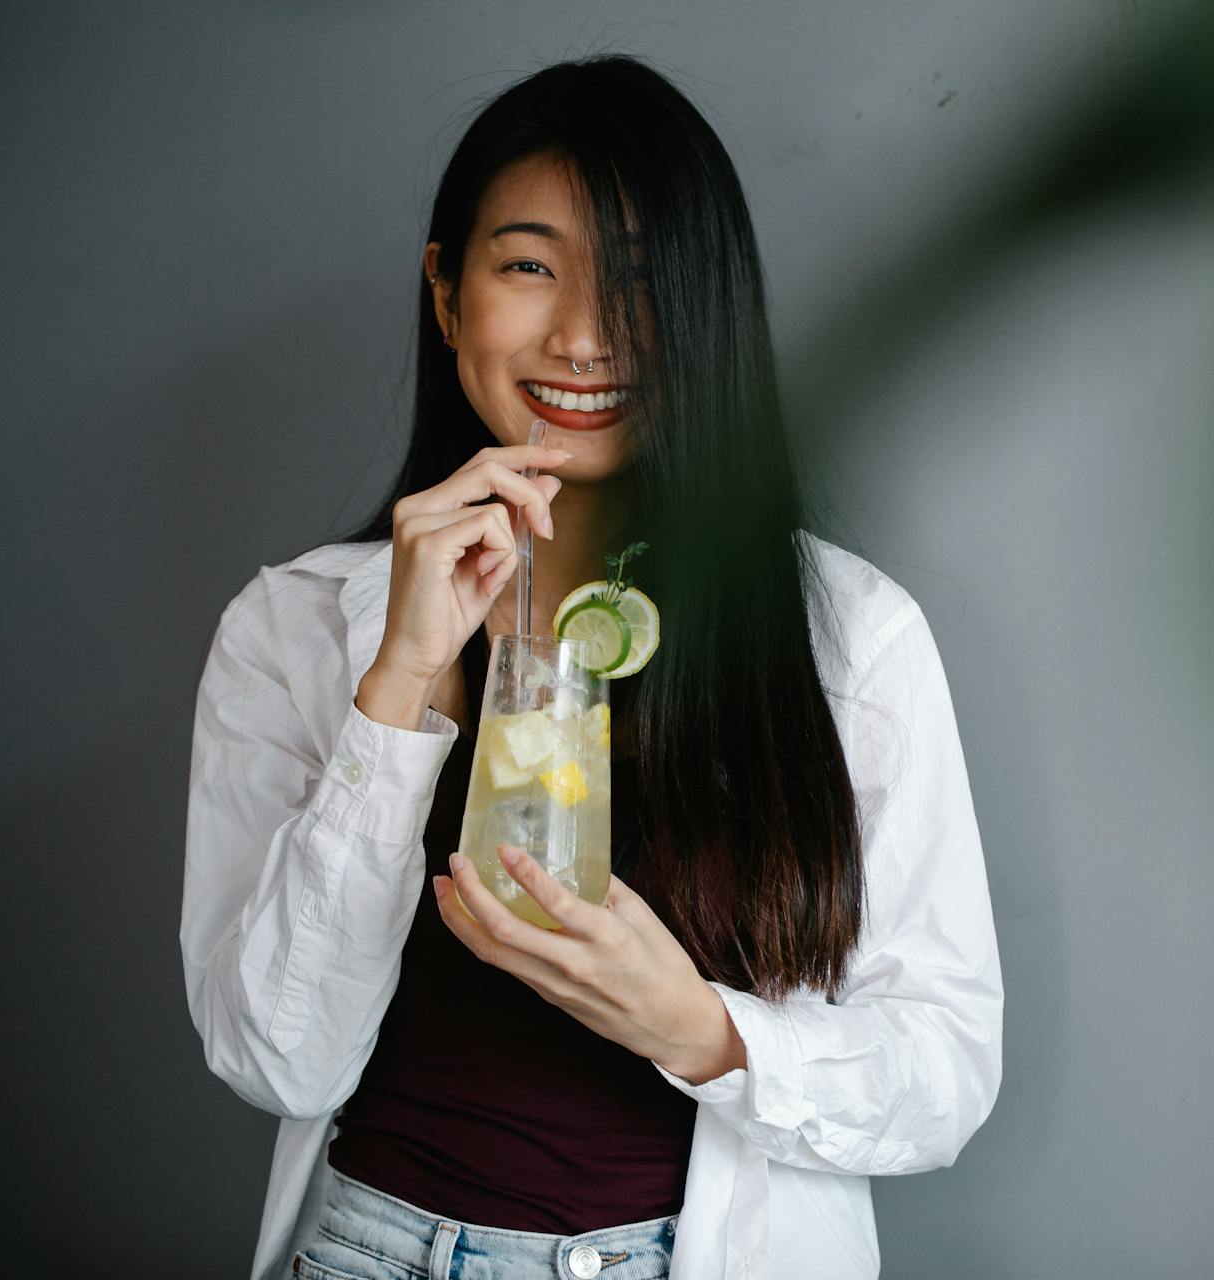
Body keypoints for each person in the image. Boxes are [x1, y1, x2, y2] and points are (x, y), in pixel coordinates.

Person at [180, 54, 1003, 1280]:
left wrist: (701, 1028)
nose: (582, 334)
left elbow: (947, 1070)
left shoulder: (848, 635)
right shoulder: (293, 624)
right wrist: (400, 683)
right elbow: (275, 1056)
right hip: (361, 1247)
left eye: (637, 279)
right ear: (447, 294)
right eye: (526, 264)